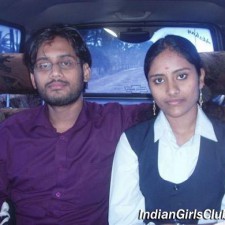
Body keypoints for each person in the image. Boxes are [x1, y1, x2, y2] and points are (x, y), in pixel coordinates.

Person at [0, 24, 152, 225]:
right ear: (33, 79)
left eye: (65, 63)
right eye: (44, 65)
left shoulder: (116, 120)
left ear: (86, 72)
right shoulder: (10, 132)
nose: (55, 73)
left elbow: (169, 107)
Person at [109, 35, 225, 225]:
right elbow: (124, 219)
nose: (172, 90)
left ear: (201, 77)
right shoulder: (132, 143)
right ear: (149, 86)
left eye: (181, 76)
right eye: (159, 80)